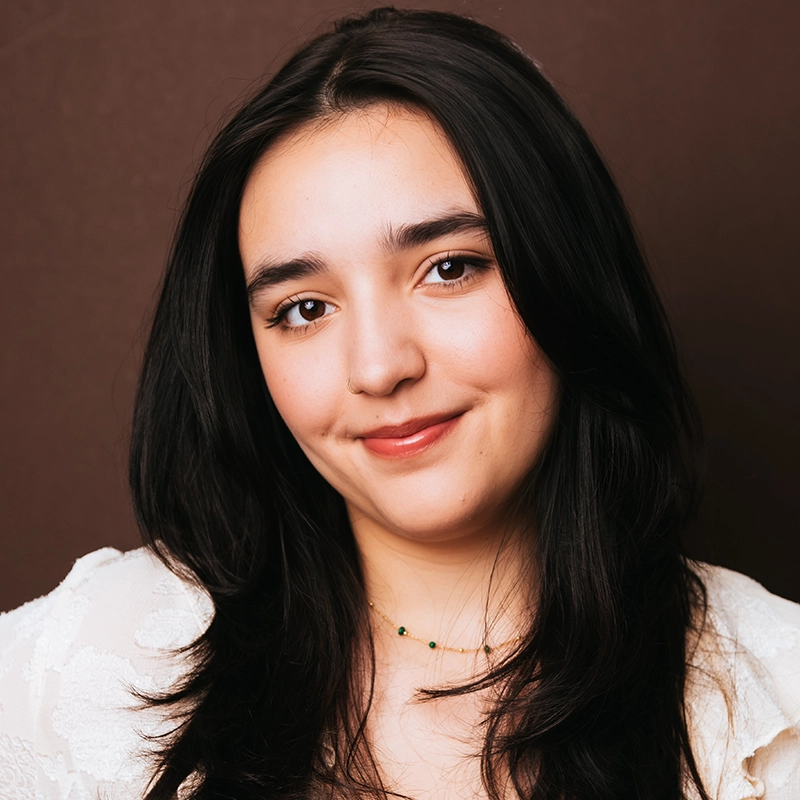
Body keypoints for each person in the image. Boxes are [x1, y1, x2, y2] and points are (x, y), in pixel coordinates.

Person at [0, 7, 798, 800]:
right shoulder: (78, 673)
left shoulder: (772, 706)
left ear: (568, 272)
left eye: (448, 268)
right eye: (304, 308)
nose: (380, 368)